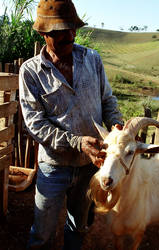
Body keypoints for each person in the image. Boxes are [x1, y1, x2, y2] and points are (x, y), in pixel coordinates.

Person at [19, 0, 123, 249]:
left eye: (73, 28)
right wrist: (77, 142)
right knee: (42, 233)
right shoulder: (31, 72)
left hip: (90, 166)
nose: (70, 35)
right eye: (61, 31)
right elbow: (36, 124)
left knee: (78, 227)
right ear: (44, 33)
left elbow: (107, 99)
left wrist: (118, 125)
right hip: (54, 167)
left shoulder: (92, 59)